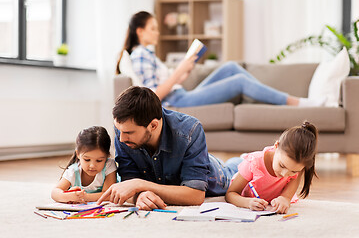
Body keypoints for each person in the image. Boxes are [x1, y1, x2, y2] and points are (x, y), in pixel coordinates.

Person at [115, 11, 325, 108]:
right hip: (176, 101)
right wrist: (178, 72)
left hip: (180, 94)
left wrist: (183, 73)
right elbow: (152, 96)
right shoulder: (140, 55)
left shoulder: (148, 55)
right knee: (240, 82)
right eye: (153, 28)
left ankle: (270, 98)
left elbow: (164, 84)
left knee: (231, 67)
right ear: (140, 31)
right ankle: (297, 102)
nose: (158, 33)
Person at [97, 86, 243, 210]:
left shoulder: (190, 131)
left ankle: (243, 160)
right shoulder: (124, 132)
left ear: (153, 125)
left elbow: (196, 196)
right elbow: (129, 183)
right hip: (175, 170)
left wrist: (140, 184)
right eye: (119, 130)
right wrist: (140, 194)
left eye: (128, 133)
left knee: (238, 170)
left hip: (215, 174)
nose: (121, 139)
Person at [225, 121, 318, 214]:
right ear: (276, 146)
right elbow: (230, 194)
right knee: (228, 168)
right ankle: (240, 159)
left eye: (293, 171)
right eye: (282, 165)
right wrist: (247, 202)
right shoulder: (253, 163)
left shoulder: (297, 168)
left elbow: (286, 197)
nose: (284, 174)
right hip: (237, 169)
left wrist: (284, 199)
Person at [51, 126, 117, 203]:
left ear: (107, 157)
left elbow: (108, 195)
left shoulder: (109, 165)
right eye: (87, 160)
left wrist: (84, 197)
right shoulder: (73, 171)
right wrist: (70, 196)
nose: (92, 165)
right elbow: (54, 192)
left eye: (99, 160)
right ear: (78, 154)